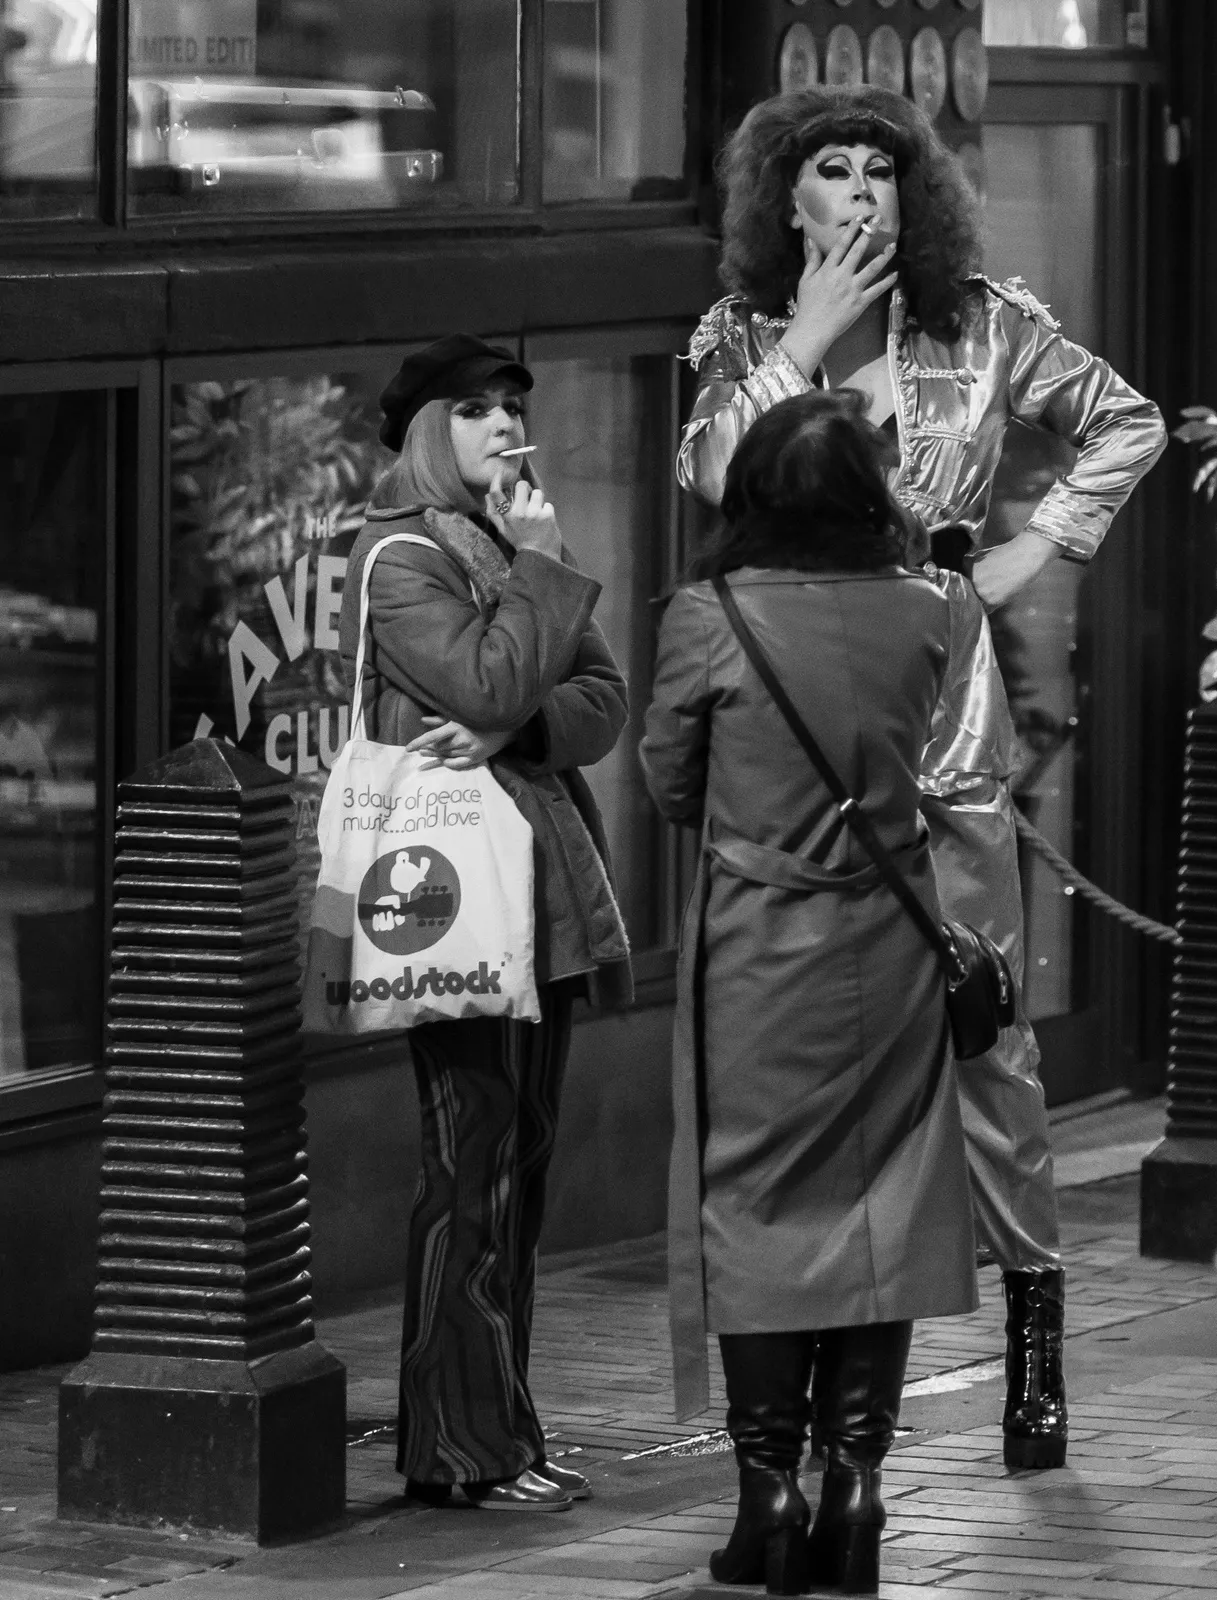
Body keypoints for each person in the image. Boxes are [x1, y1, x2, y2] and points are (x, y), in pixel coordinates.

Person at [676, 82, 1166, 1469]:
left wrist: (1035, 548)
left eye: (880, 168)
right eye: (831, 168)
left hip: (940, 706)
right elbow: (712, 477)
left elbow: (1129, 422)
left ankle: (1034, 1338)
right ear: (787, 200)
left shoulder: (986, 323)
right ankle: (805, 1378)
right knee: (802, 1044)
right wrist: (805, 341)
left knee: (983, 1027)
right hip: (795, 714)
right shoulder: (735, 337)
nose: (860, 191)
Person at [644, 390, 978, 1595]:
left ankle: (768, 1495)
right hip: (890, 947)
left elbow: (669, 781)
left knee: (755, 1204)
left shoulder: (707, 616)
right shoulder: (926, 609)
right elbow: (915, 744)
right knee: (884, 1199)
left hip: (758, 951)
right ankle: (856, 1485)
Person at [347, 334, 632, 1512]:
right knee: (470, 1177)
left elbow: (600, 698)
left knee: (516, 1176)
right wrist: (539, 591)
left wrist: (515, 725)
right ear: (429, 431)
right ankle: (458, 1449)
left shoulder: (513, 548)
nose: (508, 427)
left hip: (541, 909)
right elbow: (487, 681)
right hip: (456, 907)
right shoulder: (400, 558)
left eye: (514, 407)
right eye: (477, 410)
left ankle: (501, 1429)